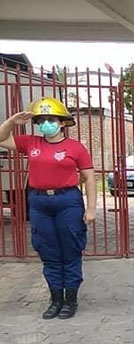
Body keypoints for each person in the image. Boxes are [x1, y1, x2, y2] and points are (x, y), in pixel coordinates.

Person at [0, 97, 96, 320]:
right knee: (48, 250)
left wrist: (91, 209)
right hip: (39, 202)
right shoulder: (31, 143)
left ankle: (70, 300)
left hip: (68, 201)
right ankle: (56, 299)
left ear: (62, 123)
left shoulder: (76, 148)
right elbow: (1, 138)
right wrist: (13, 121)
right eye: (41, 120)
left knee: (70, 249)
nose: (46, 124)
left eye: (51, 120)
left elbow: (89, 178)